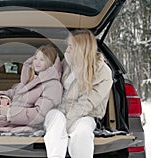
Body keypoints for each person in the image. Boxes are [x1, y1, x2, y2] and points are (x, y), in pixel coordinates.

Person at [44, 29, 113, 158]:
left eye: (71, 46)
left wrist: (66, 125)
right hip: (59, 110)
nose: (67, 50)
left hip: (85, 114)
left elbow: (87, 103)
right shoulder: (67, 62)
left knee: (82, 132)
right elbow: (49, 82)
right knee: (55, 120)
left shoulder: (103, 72)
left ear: (81, 48)